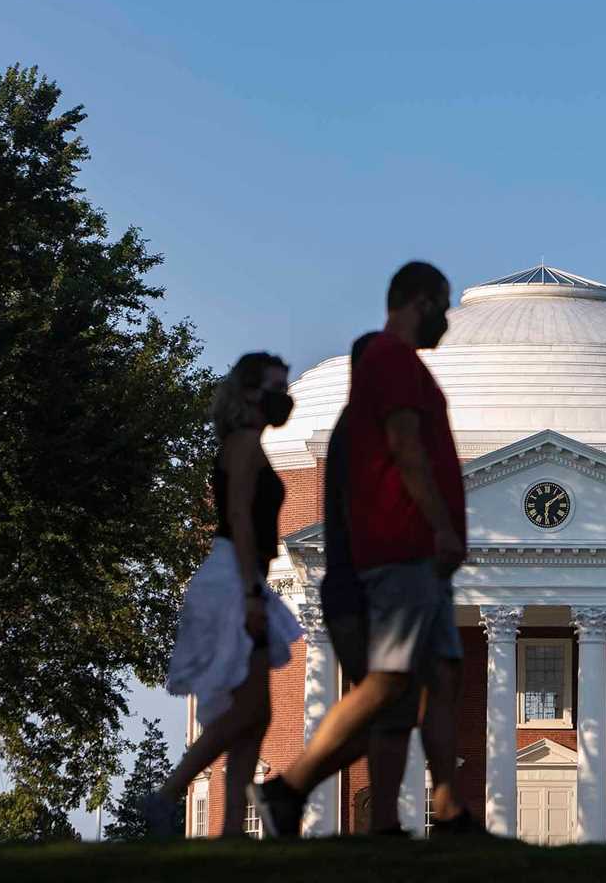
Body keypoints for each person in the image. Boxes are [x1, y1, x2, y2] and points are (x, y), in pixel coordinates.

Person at [254, 261, 479, 837]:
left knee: (439, 679)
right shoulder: (390, 359)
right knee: (391, 682)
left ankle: (444, 813)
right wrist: (442, 529)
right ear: (420, 301)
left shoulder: (398, 367)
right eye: (444, 306)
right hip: (405, 551)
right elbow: (407, 450)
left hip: (418, 556)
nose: (450, 322)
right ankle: (291, 786)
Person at [144, 353, 303, 837]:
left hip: (242, 576)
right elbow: (237, 518)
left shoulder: (250, 444)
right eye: (276, 387)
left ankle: (231, 831)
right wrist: (253, 593)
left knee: (257, 713)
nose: (284, 396)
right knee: (246, 710)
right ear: (251, 393)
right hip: (235, 578)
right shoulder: (241, 446)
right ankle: (169, 792)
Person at [318, 330, 422, 834]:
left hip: (356, 583)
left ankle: (383, 820)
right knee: (385, 698)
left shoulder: (354, 426)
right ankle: (295, 785)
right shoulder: (368, 430)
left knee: (388, 703)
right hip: (364, 586)